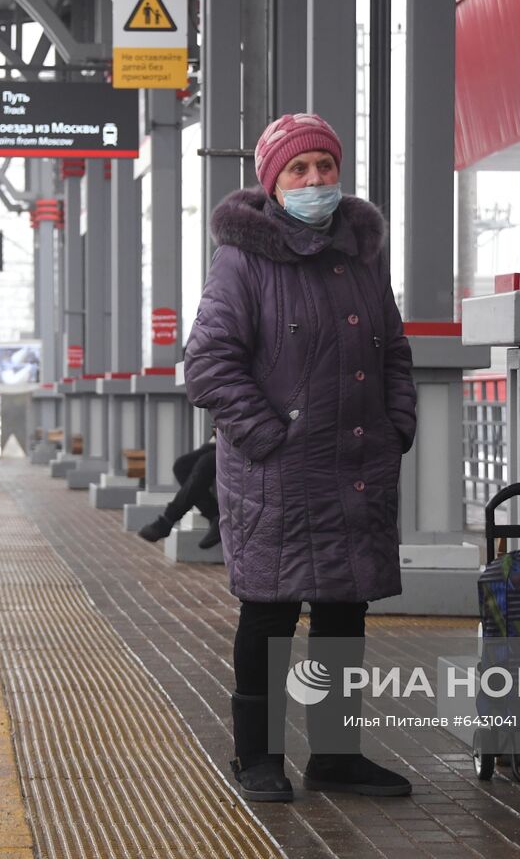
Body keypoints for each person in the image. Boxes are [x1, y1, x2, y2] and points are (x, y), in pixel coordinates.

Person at [184, 112, 417, 803]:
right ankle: (256, 756)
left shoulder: (363, 256)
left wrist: (395, 422)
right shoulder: (243, 259)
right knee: (270, 612)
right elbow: (209, 363)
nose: (316, 180)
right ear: (273, 181)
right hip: (278, 472)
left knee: (345, 609)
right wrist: (267, 437)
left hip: (354, 464)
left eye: (325, 166)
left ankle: (336, 755)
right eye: (299, 169)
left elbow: (395, 352)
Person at [137, 441, 220, 550]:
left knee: (206, 463)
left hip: (243, 446)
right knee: (182, 465)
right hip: (225, 441)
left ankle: (168, 520)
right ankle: (215, 515)